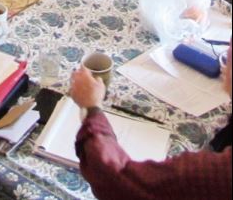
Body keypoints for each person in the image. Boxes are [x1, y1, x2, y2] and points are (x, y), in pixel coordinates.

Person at [69, 43, 232, 199]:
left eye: (228, 56)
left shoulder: (216, 173)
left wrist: (92, 108)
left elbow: (118, 181)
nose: (222, 65)